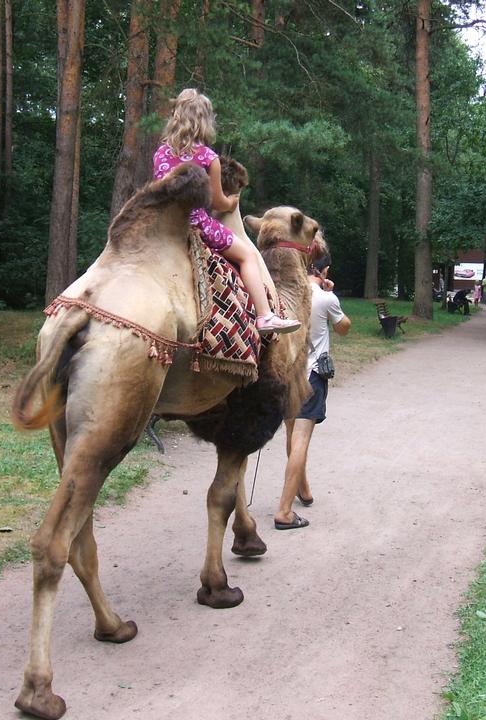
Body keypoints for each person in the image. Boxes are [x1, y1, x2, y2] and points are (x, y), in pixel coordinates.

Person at [153, 89, 299, 335]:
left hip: (164, 226)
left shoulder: (161, 153)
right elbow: (217, 202)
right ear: (204, 121)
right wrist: (231, 203)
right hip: (196, 226)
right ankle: (265, 316)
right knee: (247, 257)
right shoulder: (208, 157)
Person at [273, 252, 351, 530]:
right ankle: (284, 511)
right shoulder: (326, 298)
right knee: (302, 440)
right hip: (312, 377)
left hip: (286, 373)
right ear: (324, 270)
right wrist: (332, 294)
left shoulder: (285, 295)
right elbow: (343, 328)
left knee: (292, 434)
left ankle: (302, 490)